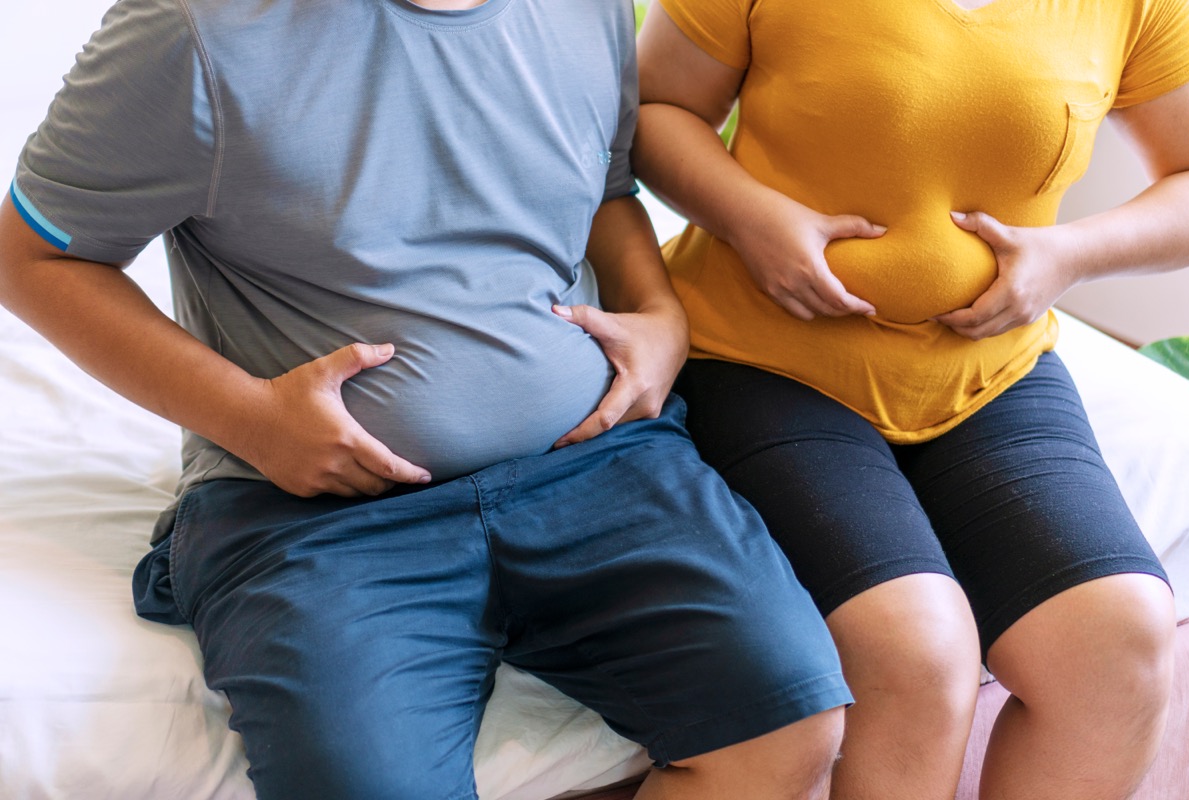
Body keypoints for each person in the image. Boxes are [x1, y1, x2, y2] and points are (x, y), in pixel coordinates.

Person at [0, 0, 857, 797]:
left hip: (594, 461)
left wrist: (660, 312)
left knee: (788, 719)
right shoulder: (194, 31)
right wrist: (248, 419)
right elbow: (31, 256)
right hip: (315, 515)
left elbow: (603, 185)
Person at [632, 0, 1189, 798]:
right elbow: (657, 108)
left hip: (989, 372)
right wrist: (752, 219)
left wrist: (1068, 255)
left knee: (1119, 642)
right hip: (760, 359)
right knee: (919, 658)